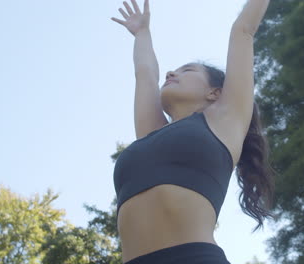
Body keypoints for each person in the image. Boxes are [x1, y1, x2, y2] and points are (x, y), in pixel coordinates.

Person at [111, 0, 273, 263]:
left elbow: (243, 29)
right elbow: (145, 74)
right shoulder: (150, 134)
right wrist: (142, 33)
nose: (172, 72)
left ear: (215, 92)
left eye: (188, 70)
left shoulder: (225, 120)